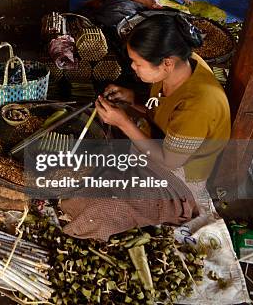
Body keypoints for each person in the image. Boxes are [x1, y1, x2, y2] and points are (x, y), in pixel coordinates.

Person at [60, 14, 230, 240]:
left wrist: (124, 121)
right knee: (89, 165)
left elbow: (171, 161)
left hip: (178, 183)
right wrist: (132, 99)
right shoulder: (181, 64)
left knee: (100, 208)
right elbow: (161, 108)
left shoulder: (199, 104)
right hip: (159, 145)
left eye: (138, 63)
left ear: (166, 63)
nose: (133, 67)